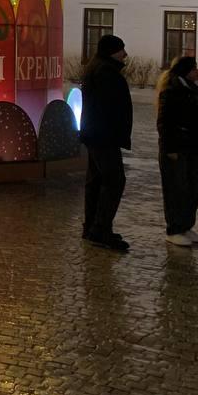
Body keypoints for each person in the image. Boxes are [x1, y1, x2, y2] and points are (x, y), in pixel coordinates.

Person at [79, 34, 133, 252]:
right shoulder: (107, 73)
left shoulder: (97, 69)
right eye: (122, 50)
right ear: (112, 51)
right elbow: (110, 108)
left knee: (96, 180)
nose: (125, 54)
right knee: (114, 181)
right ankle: (101, 229)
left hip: (96, 135)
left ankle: (92, 227)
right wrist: (115, 133)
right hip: (104, 137)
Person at [155, 55, 198, 247]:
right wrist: (169, 148)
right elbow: (164, 122)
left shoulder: (195, 90)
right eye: (194, 68)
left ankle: (186, 225)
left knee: (193, 188)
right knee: (176, 189)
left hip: (192, 147)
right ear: (186, 71)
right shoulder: (172, 91)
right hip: (176, 149)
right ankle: (174, 228)